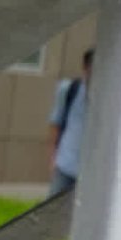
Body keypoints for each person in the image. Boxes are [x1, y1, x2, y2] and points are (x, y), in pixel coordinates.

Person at [44, 49, 90, 203]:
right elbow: (55, 124)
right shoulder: (69, 89)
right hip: (65, 165)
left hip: (91, 171)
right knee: (53, 207)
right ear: (85, 68)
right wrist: (53, 158)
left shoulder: (109, 95)